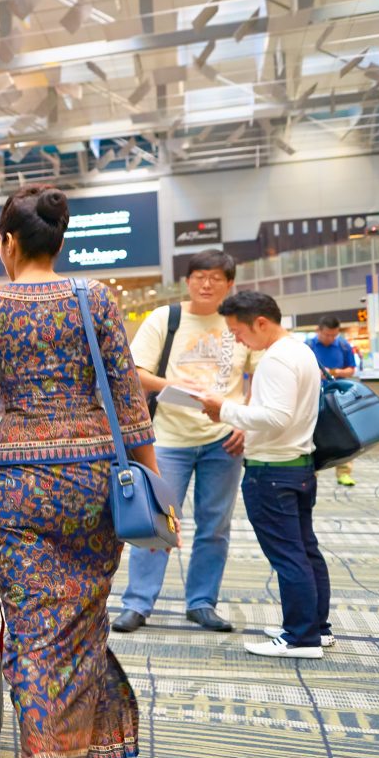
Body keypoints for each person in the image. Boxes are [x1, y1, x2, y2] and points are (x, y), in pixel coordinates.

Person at [0, 184, 148, 758]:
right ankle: (82, 752)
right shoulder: (96, 300)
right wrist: (149, 480)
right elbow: (128, 399)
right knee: (83, 618)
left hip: (21, 487)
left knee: (35, 631)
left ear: (6, 242)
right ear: (58, 242)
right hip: (95, 482)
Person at [113, 249, 252, 634]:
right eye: (199, 277)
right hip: (169, 438)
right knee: (156, 520)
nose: (206, 284)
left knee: (215, 526)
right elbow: (134, 373)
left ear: (230, 284)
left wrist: (247, 422)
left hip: (223, 441)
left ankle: (202, 602)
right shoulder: (166, 318)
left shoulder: (237, 323)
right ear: (187, 281)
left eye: (216, 278)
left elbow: (258, 376)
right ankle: (138, 603)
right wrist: (169, 385)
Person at [201, 292, 332, 659]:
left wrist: (224, 410)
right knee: (305, 551)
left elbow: (276, 416)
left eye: (238, 331)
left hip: (272, 472)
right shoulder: (301, 351)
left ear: (261, 322)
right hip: (298, 465)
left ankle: (300, 637)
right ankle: (314, 627)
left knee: (289, 556)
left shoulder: (275, 359)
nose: (238, 340)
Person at [308, 315, 359, 487]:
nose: (330, 338)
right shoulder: (308, 346)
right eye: (327, 335)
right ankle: (311, 472)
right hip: (313, 396)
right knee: (312, 434)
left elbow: (351, 370)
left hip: (337, 397)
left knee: (344, 432)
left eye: (333, 335)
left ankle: (344, 472)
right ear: (318, 331)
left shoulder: (344, 345)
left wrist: (334, 371)